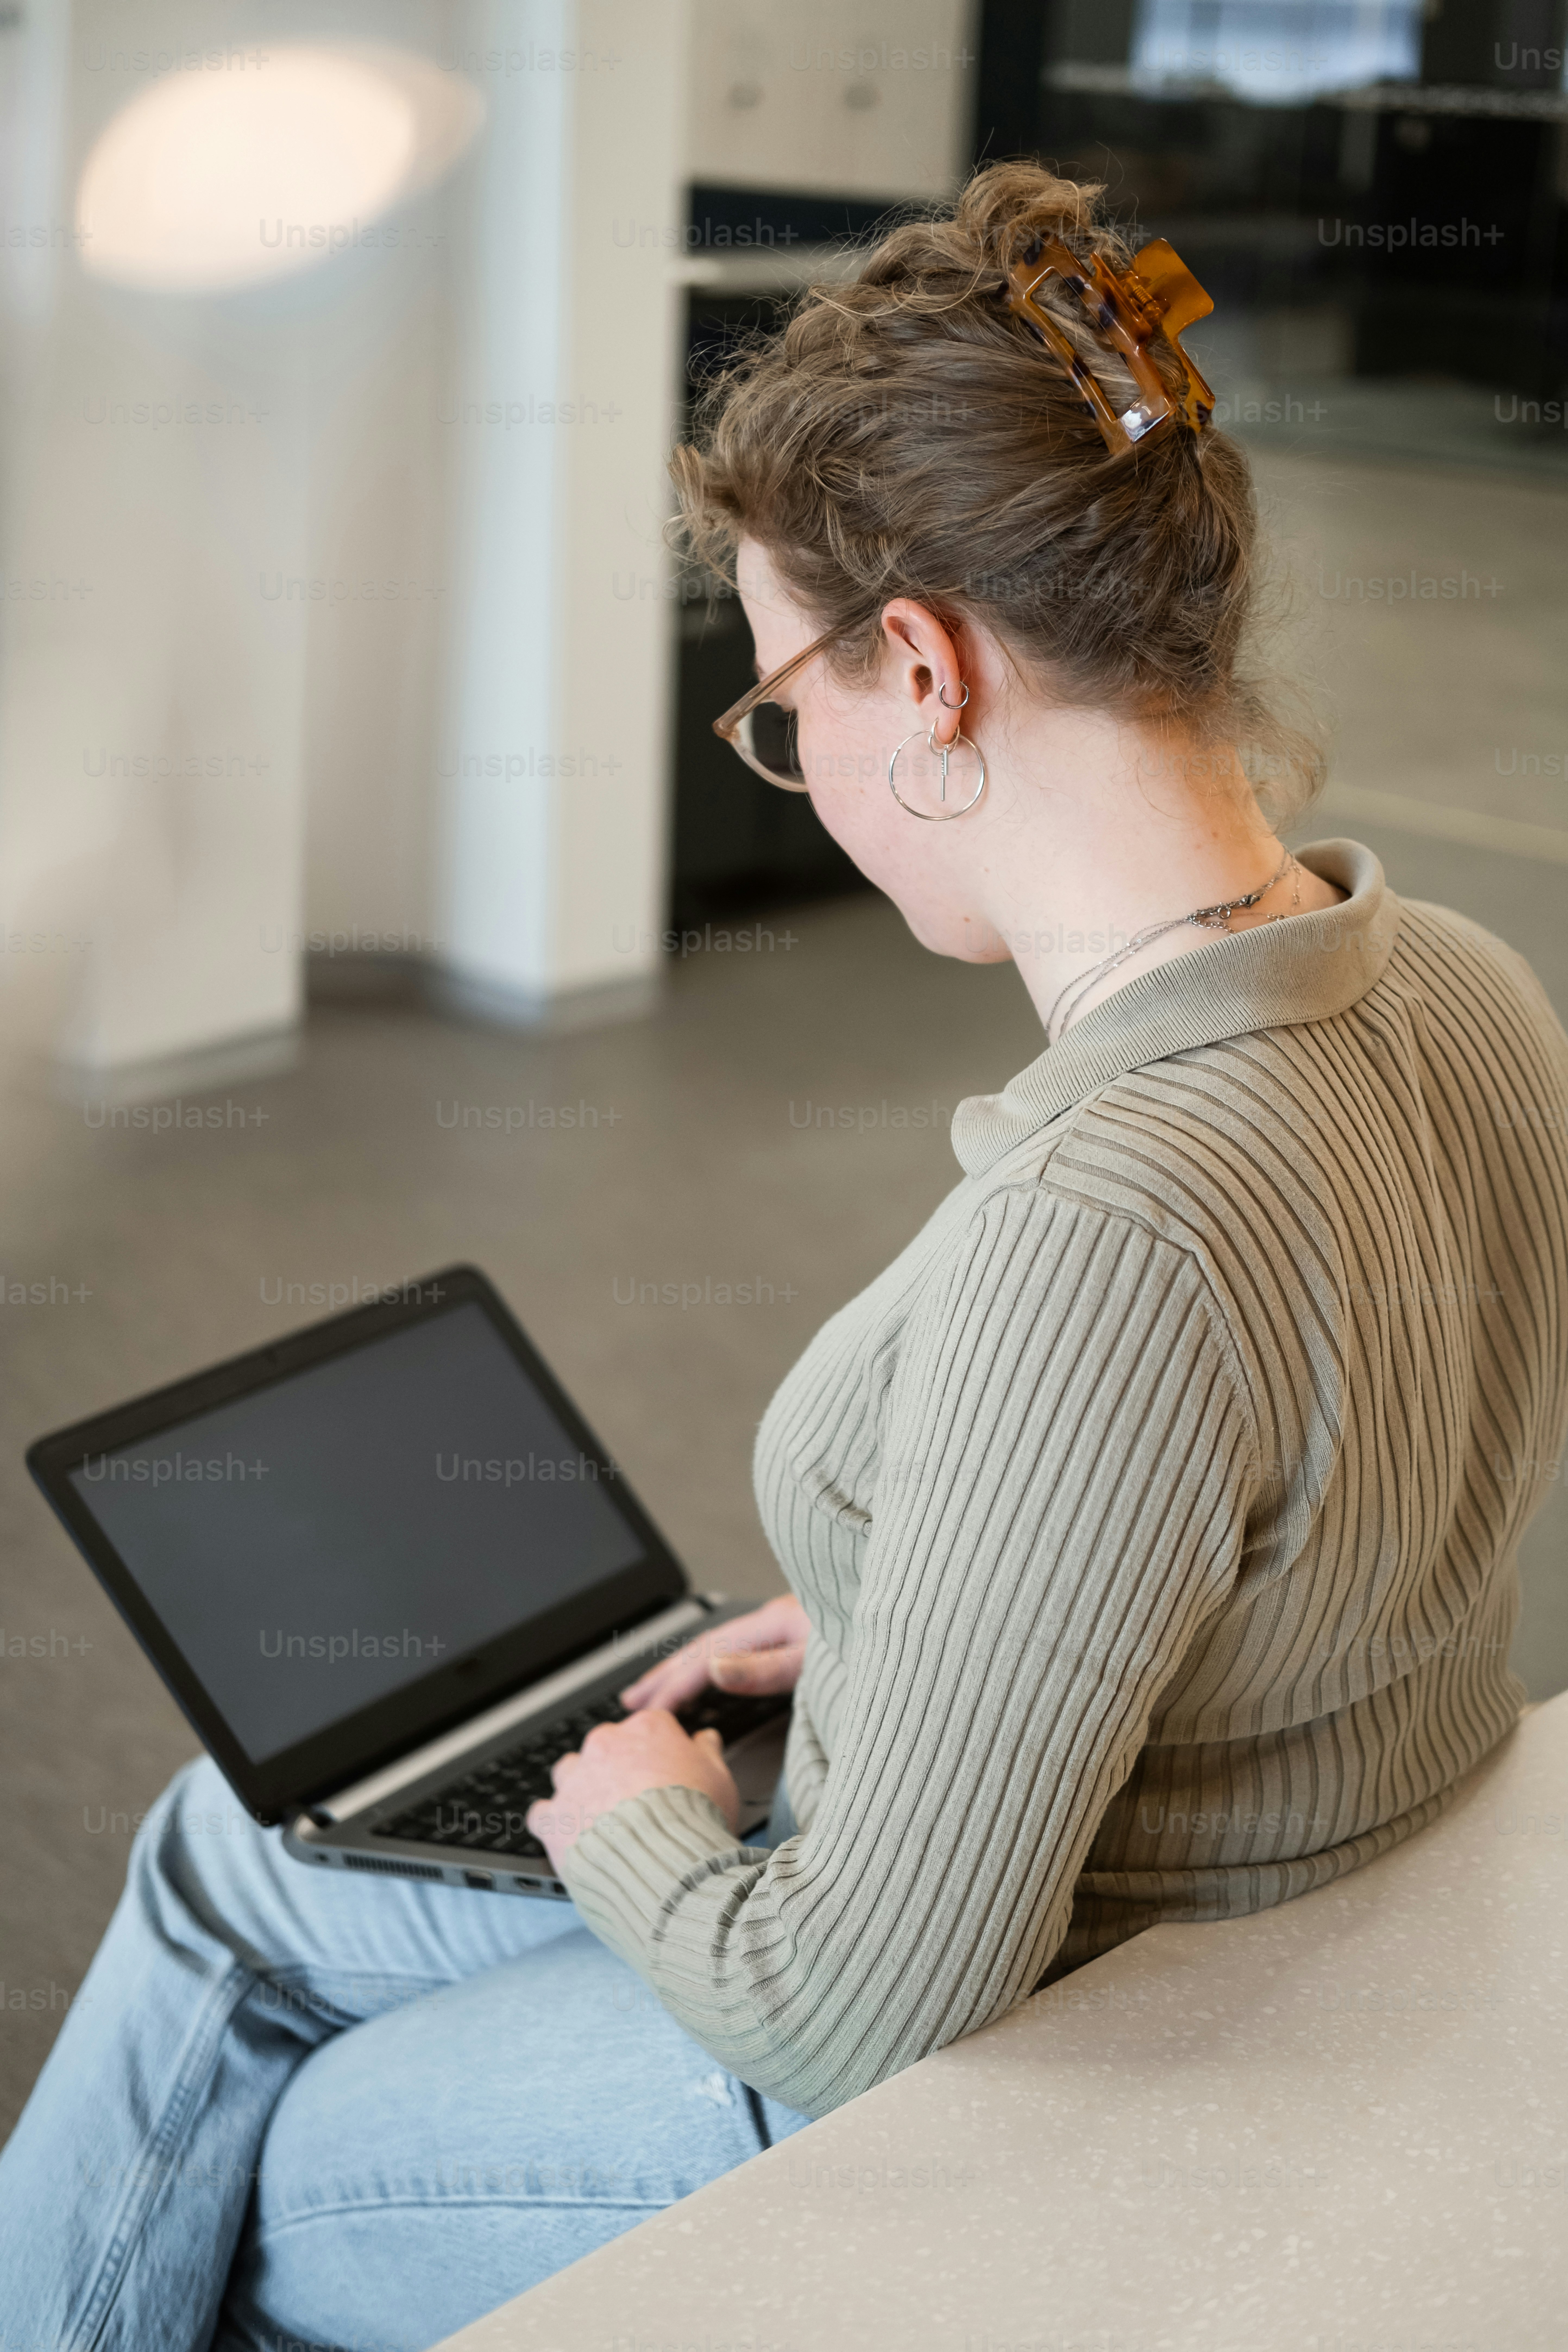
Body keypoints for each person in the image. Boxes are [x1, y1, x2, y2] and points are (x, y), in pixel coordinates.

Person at [5, 161, 1567, 2352]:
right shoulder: (1472, 992)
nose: (799, 769)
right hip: (1242, 1844)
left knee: (272, 2140)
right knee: (217, 1843)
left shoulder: (1103, 1218)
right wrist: (901, 1616)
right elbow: (1293, 1529)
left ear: (916, 668)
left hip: (1047, 2034)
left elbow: (848, 2012)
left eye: (782, 710)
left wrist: (642, 1824)